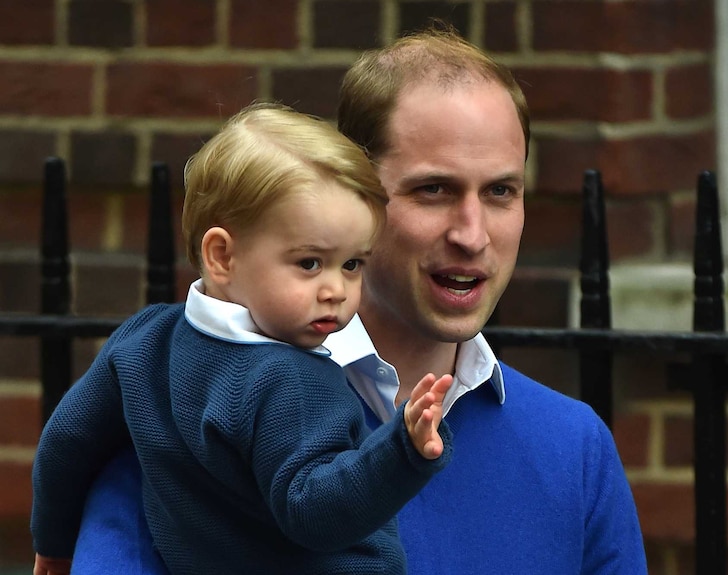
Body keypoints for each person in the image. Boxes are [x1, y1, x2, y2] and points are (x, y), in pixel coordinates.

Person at [68, 25, 648, 574]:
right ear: (358, 194)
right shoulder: (183, 418)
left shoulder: (575, 449)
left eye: (500, 191)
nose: (472, 234)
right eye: (434, 190)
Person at [30, 103, 456, 575]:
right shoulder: (295, 381)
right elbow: (316, 515)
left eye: (353, 264)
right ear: (222, 257)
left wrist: (53, 543)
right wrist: (402, 451)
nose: (336, 290)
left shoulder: (145, 339)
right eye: (309, 263)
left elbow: (67, 440)